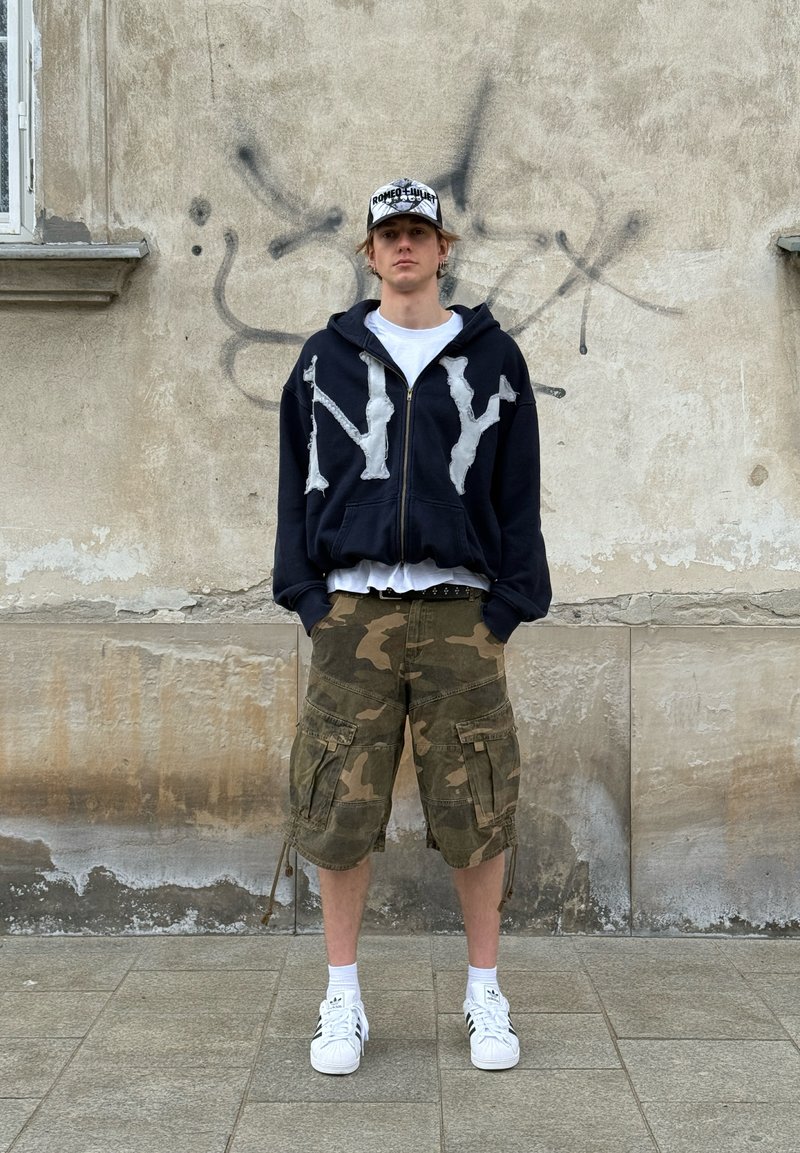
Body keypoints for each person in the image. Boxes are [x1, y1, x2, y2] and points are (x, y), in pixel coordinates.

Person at [272, 177, 551, 1075]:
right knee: (338, 808)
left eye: (418, 234)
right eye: (388, 234)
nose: (403, 248)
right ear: (369, 253)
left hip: (458, 612)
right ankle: (342, 997)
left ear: (443, 248)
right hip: (351, 612)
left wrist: (507, 605)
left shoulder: (492, 360)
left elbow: (519, 490)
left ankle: (483, 992)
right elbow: (293, 480)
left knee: (478, 803)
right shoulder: (326, 358)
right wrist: (308, 597)